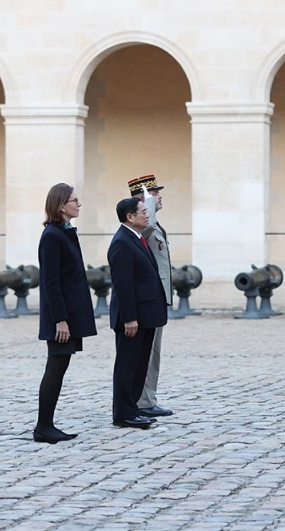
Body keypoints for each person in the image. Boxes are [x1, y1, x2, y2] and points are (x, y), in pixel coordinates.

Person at [34, 183, 97, 444]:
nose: (79, 204)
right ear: (61, 205)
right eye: (74, 200)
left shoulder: (65, 233)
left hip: (69, 313)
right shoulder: (52, 235)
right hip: (61, 316)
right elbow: (50, 282)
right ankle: (43, 426)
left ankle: (47, 424)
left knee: (60, 366)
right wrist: (60, 319)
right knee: (55, 367)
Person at [108, 197, 168, 429]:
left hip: (146, 315)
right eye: (143, 211)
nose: (147, 215)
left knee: (139, 365)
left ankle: (132, 409)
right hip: (133, 318)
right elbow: (123, 285)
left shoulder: (137, 238)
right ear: (130, 217)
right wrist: (129, 317)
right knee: (127, 366)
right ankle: (123, 413)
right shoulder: (122, 242)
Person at [127, 174, 174, 418]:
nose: (159, 197)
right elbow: (147, 229)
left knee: (154, 353)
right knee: (147, 353)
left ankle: (147, 398)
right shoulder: (142, 224)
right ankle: (142, 401)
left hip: (158, 297)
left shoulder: (154, 223)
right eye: (154, 193)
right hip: (148, 299)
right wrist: (148, 204)